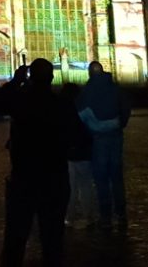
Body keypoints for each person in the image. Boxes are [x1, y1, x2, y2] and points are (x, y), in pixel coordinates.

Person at [0, 59, 73, 267]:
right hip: (54, 179)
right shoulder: (60, 104)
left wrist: (15, 81)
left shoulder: (21, 102)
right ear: (52, 78)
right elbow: (78, 139)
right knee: (53, 239)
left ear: (30, 77)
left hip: (24, 178)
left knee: (16, 238)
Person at [77, 61, 131, 230]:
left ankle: (106, 217)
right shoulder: (115, 88)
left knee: (101, 179)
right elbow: (126, 107)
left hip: (97, 137)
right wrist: (120, 123)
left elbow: (80, 114)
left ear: (90, 73)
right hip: (115, 134)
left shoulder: (87, 90)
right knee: (116, 176)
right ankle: (121, 215)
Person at [60, 82, 95, 229]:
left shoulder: (59, 109)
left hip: (67, 152)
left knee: (70, 186)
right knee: (86, 185)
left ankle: (69, 216)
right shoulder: (82, 108)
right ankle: (89, 216)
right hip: (82, 151)